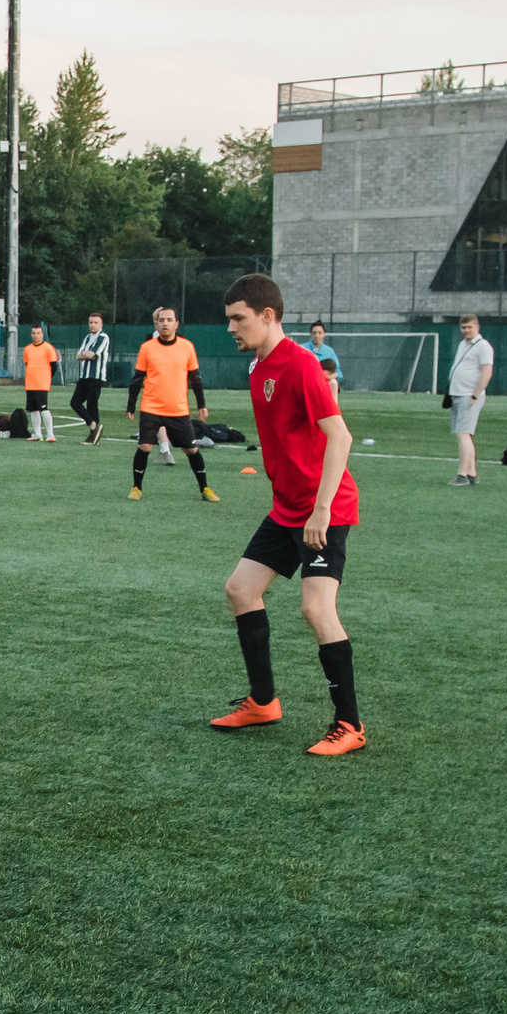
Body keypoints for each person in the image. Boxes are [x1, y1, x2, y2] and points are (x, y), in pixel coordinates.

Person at [212, 275, 365, 756]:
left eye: (238, 319)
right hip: (287, 508)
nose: (231, 328)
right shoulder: (258, 367)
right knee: (240, 589)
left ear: (267, 316)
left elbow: (340, 436)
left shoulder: (301, 364)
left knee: (316, 609)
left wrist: (320, 511)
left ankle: (350, 725)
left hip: (325, 508)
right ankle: (263, 702)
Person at [127, 307, 216, 501]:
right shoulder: (147, 348)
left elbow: (196, 379)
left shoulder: (187, 347)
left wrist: (202, 405)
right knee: (145, 446)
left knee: (191, 449)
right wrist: (131, 405)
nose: (165, 323)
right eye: (161, 320)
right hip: (151, 408)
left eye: (169, 320)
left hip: (178, 410)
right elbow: (137, 378)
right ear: (156, 324)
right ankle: (136, 488)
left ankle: (205, 488)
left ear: (176, 324)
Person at [446, 314, 496, 485]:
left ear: (477, 327)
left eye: (469, 327)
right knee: (463, 433)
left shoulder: (483, 346)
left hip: (469, 395)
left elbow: (487, 372)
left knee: (463, 433)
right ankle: (471, 474)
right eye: (463, 327)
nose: (466, 330)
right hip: (458, 393)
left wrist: (475, 394)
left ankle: (462, 475)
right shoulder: (463, 344)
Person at [72, 311, 112, 443]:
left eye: (95, 323)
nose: (93, 325)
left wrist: (86, 354)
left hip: (96, 376)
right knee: (75, 402)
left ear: (101, 324)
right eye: (91, 322)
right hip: (84, 376)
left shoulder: (103, 337)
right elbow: (78, 356)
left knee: (92, 403)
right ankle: (93, 424)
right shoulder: (88, 337)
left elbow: (92, 354)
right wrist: (85, 354)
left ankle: (93, 433)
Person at [22, 324, 62, 441]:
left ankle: (50, 434)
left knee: (44, 408)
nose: (36, 335)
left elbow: (53, 366)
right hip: (30, 384)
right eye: (33, 333)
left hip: (42, 384)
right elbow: (27, 364)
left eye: (38, 333)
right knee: (33, 410)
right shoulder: (27, 349)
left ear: (42, 334)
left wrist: (46, 377)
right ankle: (37, 434)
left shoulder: (48, 348)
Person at [306, 322, 341, 395]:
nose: (317, 335)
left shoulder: (329, 351)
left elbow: (338, 372)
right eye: (314, 333)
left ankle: (333, 403)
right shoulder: (302, 349)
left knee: (333, 382)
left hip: (325, 385)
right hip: (307, 383)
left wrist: (329, 377)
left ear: (324, 334)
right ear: (311, 334)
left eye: (319, 333)